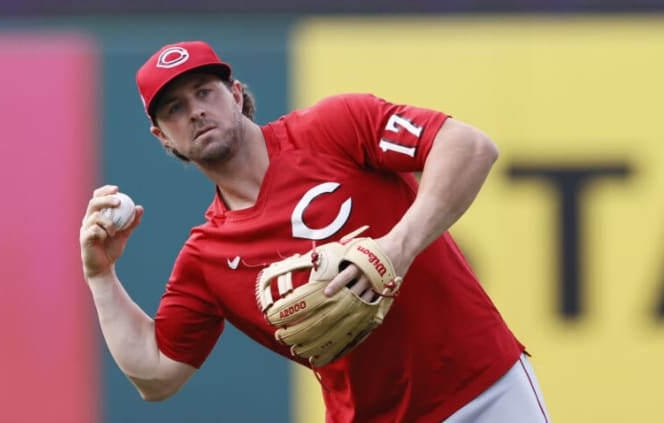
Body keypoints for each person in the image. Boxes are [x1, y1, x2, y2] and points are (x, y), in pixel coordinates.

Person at [79, 40, 551, 422]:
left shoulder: (332, 128)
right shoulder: (208, 257)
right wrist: (101, 277)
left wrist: (395, 250)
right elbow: (158, 374)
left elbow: (469, 147)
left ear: (237, 93)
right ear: (162, 137)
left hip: (485, 390)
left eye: (205, 92)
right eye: (174, 109)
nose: (196, 112)